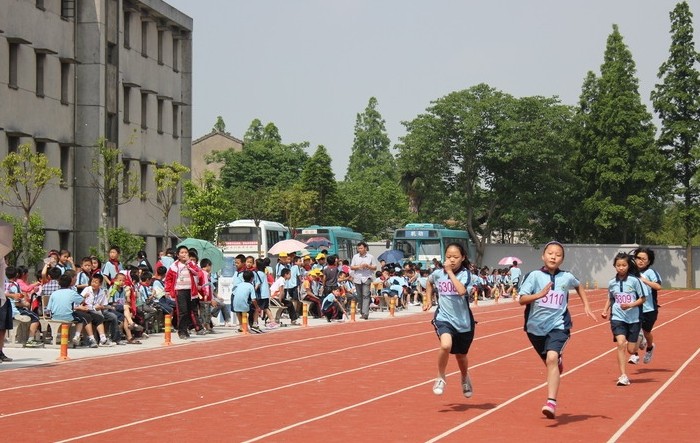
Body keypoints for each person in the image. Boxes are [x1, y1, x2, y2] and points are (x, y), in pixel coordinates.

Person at [518, 241, 596, 419]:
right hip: (534, 328)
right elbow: (522, 300)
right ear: (543, 256)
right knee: (550, 362)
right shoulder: (533, 276)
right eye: (550, 253)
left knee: (551, 358)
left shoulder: (566, 277)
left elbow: (578, 285)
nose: (554, 256)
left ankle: (551, 402)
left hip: (559, 325)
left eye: (558, 254)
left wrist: (586, 306)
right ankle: (557, 360)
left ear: (562, 259)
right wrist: (538, 295)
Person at [422, 243, 476, 399]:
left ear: (463, 258)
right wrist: (428, 299)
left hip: (464, 321)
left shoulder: (466, 274)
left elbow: (461, 291)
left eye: (455, 257)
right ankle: (440, 377)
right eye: (448, 257)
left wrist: (450, 272)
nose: (451, 260)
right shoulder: (438, 273)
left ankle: (465, 377)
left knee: (461, 356)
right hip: (443, 318)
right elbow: (429, 281)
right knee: (445, 345)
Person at [602, 252, 646, 387]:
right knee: (621, 343)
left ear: (628, 266)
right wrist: (605, 310)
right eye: (618, 265)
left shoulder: (635, 281)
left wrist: (631, 305)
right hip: (617, 317)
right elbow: (611, 298)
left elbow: (643, 298)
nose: (621, 268)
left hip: (633, 318)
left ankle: (640, 338)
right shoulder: (612, 283)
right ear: (615, 266)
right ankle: (623, 375)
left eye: (624, 265)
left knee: (631, 350)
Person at [164, 245, 204, 340]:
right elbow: (168, 279)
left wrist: (189, 263)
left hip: (190, 291)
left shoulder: (191, 264)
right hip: (179, 290)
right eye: (182, 253)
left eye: (186, 252)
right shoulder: (174, 266)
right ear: (178, 255)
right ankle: (181, 331)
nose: (184, 254)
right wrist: (167, 290)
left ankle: (186, 329)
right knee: (183, 311)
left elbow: (198, 273)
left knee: (189, 311)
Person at [633, 247, 661, 365]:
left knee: (646, 332)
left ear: (648, 261)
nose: (640, 261)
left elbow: (658, 287)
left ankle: (650, 347)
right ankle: (634, 355)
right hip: (634, 308)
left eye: (644, 259)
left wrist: (644, 280)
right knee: (635, 331)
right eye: (638, 258)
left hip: (649, 309)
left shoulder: (650, 273)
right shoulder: (630, 273)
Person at [350, 241, 378, 320]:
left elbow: (375, 267)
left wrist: (368, 266)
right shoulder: (355, 257)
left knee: (366, 295)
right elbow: (352, 267)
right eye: (358, 248)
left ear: (365, 248)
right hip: (357, 278)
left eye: (361, 248)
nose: (359, 250)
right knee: (359, 296)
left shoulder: (370, 257)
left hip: (366, 278)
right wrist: (359, 266)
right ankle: (362, 312)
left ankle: (365, 313)